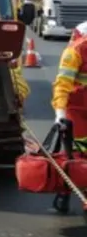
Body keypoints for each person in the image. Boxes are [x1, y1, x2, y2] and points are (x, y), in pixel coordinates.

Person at [49, 30, 87, 212]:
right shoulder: (75, 52)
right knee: (76, 158)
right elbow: (62, 85)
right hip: (77, 114)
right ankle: (65, 193)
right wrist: (60, 114)